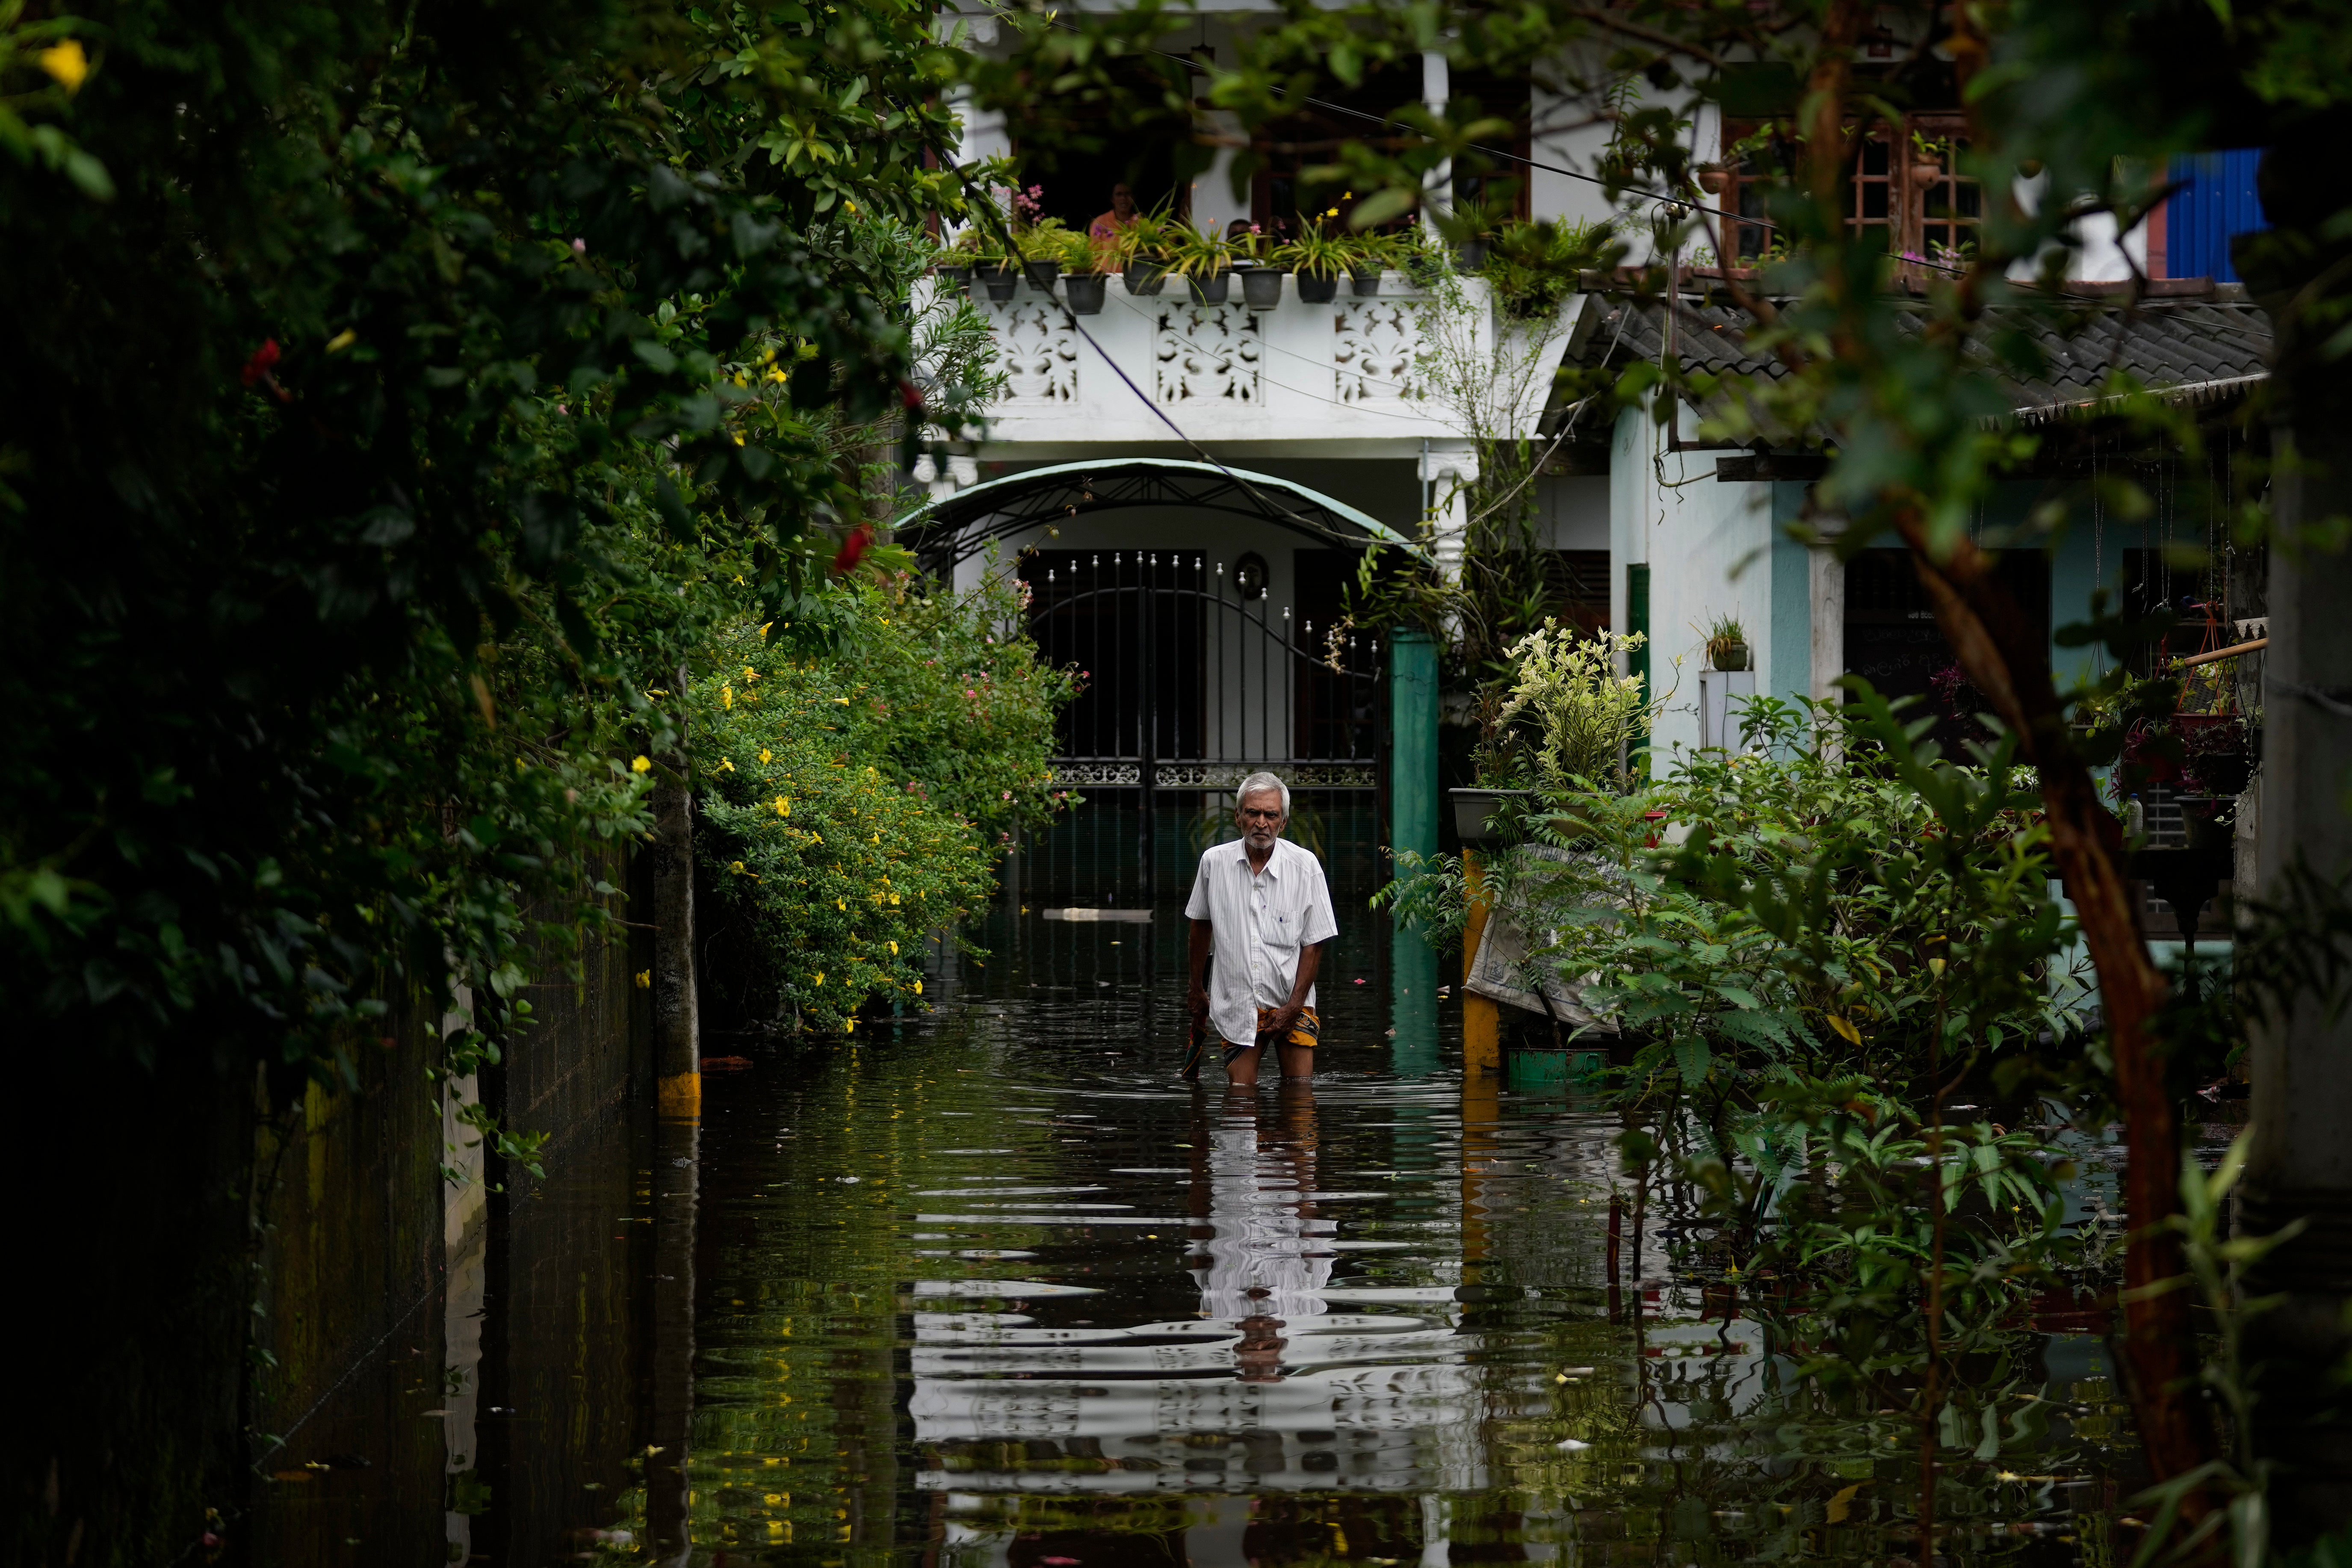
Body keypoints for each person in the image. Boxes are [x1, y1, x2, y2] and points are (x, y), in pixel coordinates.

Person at [1184, 772, 1338, 1086]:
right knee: (1240, 1099)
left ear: (1283, 823)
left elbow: (1315, 942)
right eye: (1253, 813)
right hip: (1237, 1002)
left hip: (1293, 1000)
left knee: (1299, 1100)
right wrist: (1196, 988)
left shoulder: (1305, 866)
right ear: (1238, 816)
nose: (1261, 822)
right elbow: (1200, 926)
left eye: (1271, 815)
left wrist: (1294, 1006)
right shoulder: (1214, 862)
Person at [1087, 182, 1138, 251]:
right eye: (1119, 194)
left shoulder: (1140, 222)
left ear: (1133, 197)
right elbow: (1094, 253)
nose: (1123, 198)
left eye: (1127, 194)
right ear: (1112, 199)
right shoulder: (1100, 222)